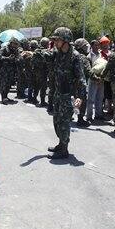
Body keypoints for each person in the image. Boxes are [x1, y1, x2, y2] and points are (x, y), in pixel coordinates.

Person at [47, 27, 86, 159]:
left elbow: (81, 78)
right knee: (57, 121)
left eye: (57, 40)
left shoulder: (75, 57)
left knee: (64, 123)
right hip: (58, 93)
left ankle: (64, 150)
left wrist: (80, 97)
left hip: (68, 95)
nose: (55, 42)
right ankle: (61, 143)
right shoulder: (57, 53)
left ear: (66, 41)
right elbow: (46, 57)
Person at [74, 38, 92, 127]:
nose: (87, 48)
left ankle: (71, 116)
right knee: (82, 100)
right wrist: (98, 78)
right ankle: (80, 119)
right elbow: (89, 71)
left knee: (73, 100)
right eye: (85, 46)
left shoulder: (71, 55)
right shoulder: (83, 58)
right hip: (81, 83)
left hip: (72, 83)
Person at [0, 38, 21, 104]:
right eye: (15, 44)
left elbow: (18, 57)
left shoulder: (15, 50)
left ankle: (6, 96)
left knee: (9, 84)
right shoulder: (5, 48)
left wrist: (17, 58)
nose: (16, 45)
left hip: (12, 69)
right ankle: (3, 98)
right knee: (4, 83)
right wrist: (7, 58)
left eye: (17, 44)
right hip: (5, 69)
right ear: (11, 43)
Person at [32, 37, 50, 106]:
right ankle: (42, 101)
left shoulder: (36, 51)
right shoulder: (46, 51)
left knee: (36, 85)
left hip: (36, 71)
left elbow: (32, 61)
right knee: (43, 87)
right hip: (43, 72)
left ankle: (34, 98)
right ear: (46, 44)